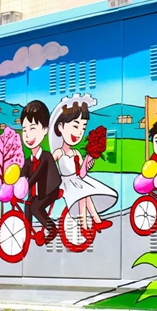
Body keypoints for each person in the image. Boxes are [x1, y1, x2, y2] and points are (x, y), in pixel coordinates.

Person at [49, 94, 118, 236]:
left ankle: (93, 222)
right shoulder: (59, 152)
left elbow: (82, 172)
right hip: (65, 182)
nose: (79, 132)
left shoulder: (76, 153)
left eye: (83, 127)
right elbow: (49, 167)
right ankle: (87, 224)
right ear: (60, 127)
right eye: (75, 126)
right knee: (83, 194)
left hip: (77, 180)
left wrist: (88, 163)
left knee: (86, 194)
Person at [20, 100, 62, 245]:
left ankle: (52, 229)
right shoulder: (28, 161)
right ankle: (27, 232)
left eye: (32, 129)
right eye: (24, 130)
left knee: (35, 207)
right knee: (28, 204)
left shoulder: (46, 157)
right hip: (36, 193)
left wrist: (26, 184)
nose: (27, 135)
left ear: (44, 130)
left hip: (49, 190)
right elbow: (22, 174)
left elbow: (37, 174)